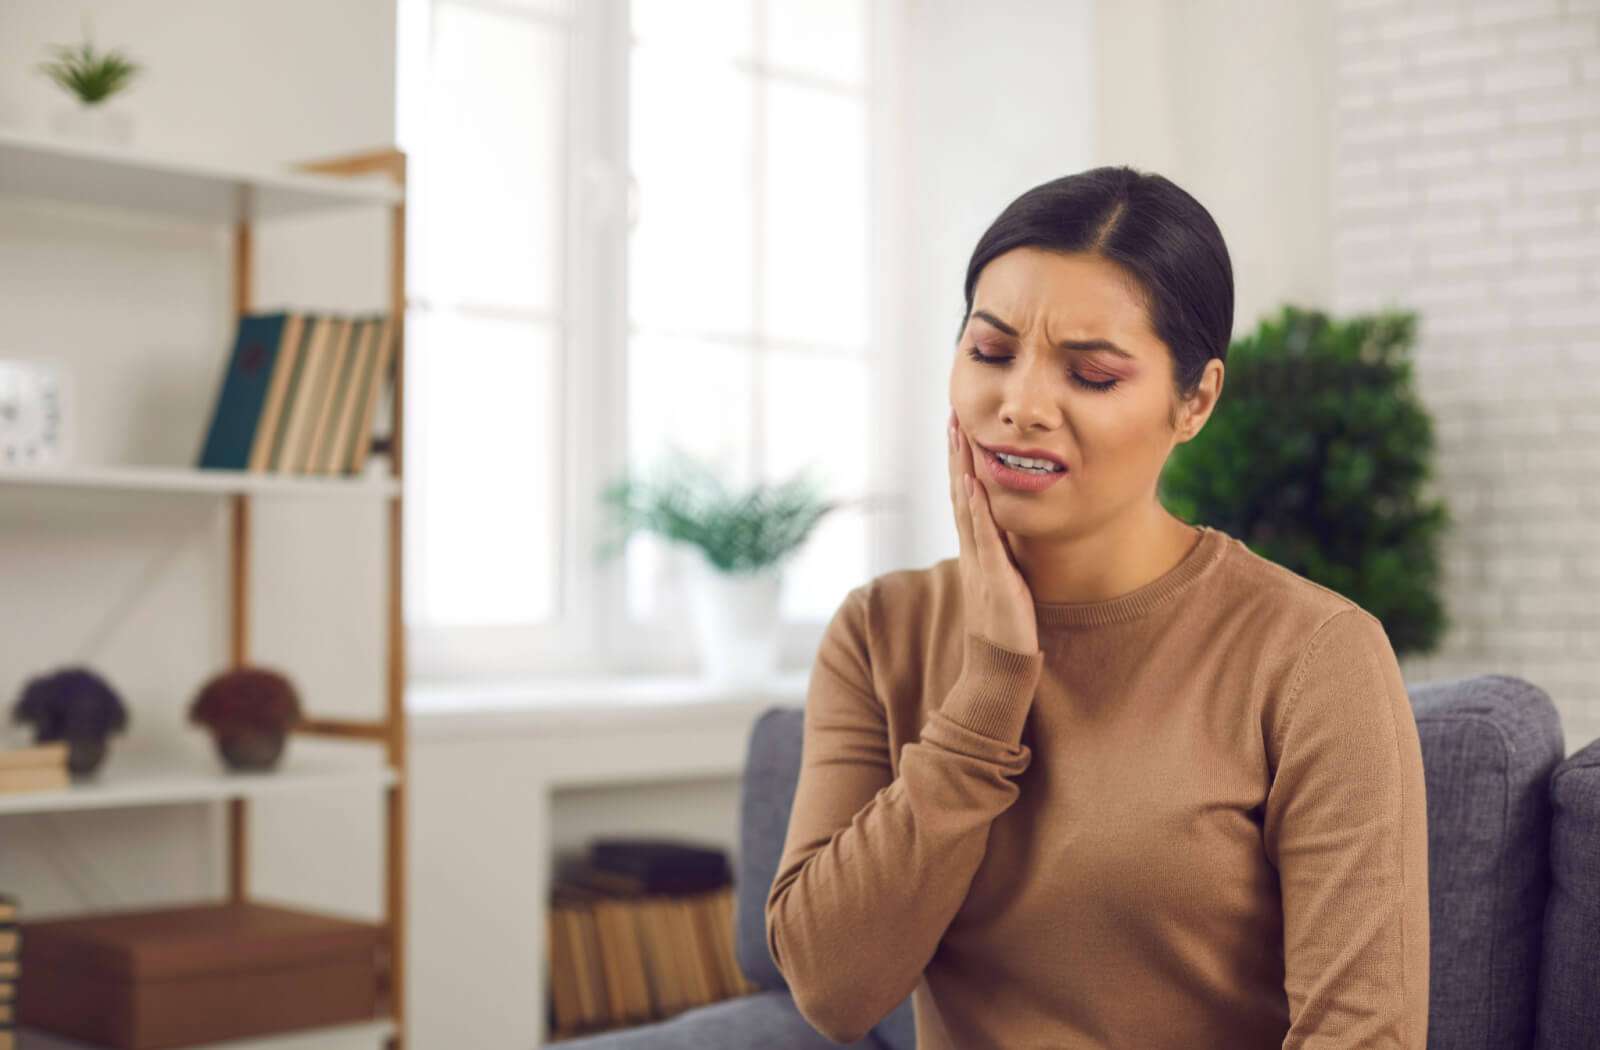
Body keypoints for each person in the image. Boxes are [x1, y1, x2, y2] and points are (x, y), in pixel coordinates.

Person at [765, 165, 1430, 1050]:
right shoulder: (879, 631)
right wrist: (990, 687)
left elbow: (1362, 1035)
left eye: (1092, 374)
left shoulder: (1315, 655)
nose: (1021, 405)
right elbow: (831, 989)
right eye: (991, 353)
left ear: (1194, 401)